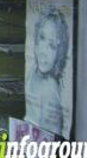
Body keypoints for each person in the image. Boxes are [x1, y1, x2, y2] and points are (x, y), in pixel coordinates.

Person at [25, 7, 70, 136]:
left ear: (59, 53)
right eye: (42, 38)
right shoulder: (33, 72)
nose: (43, 52)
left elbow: (53, 134)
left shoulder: (50, 87)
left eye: (52, 45)